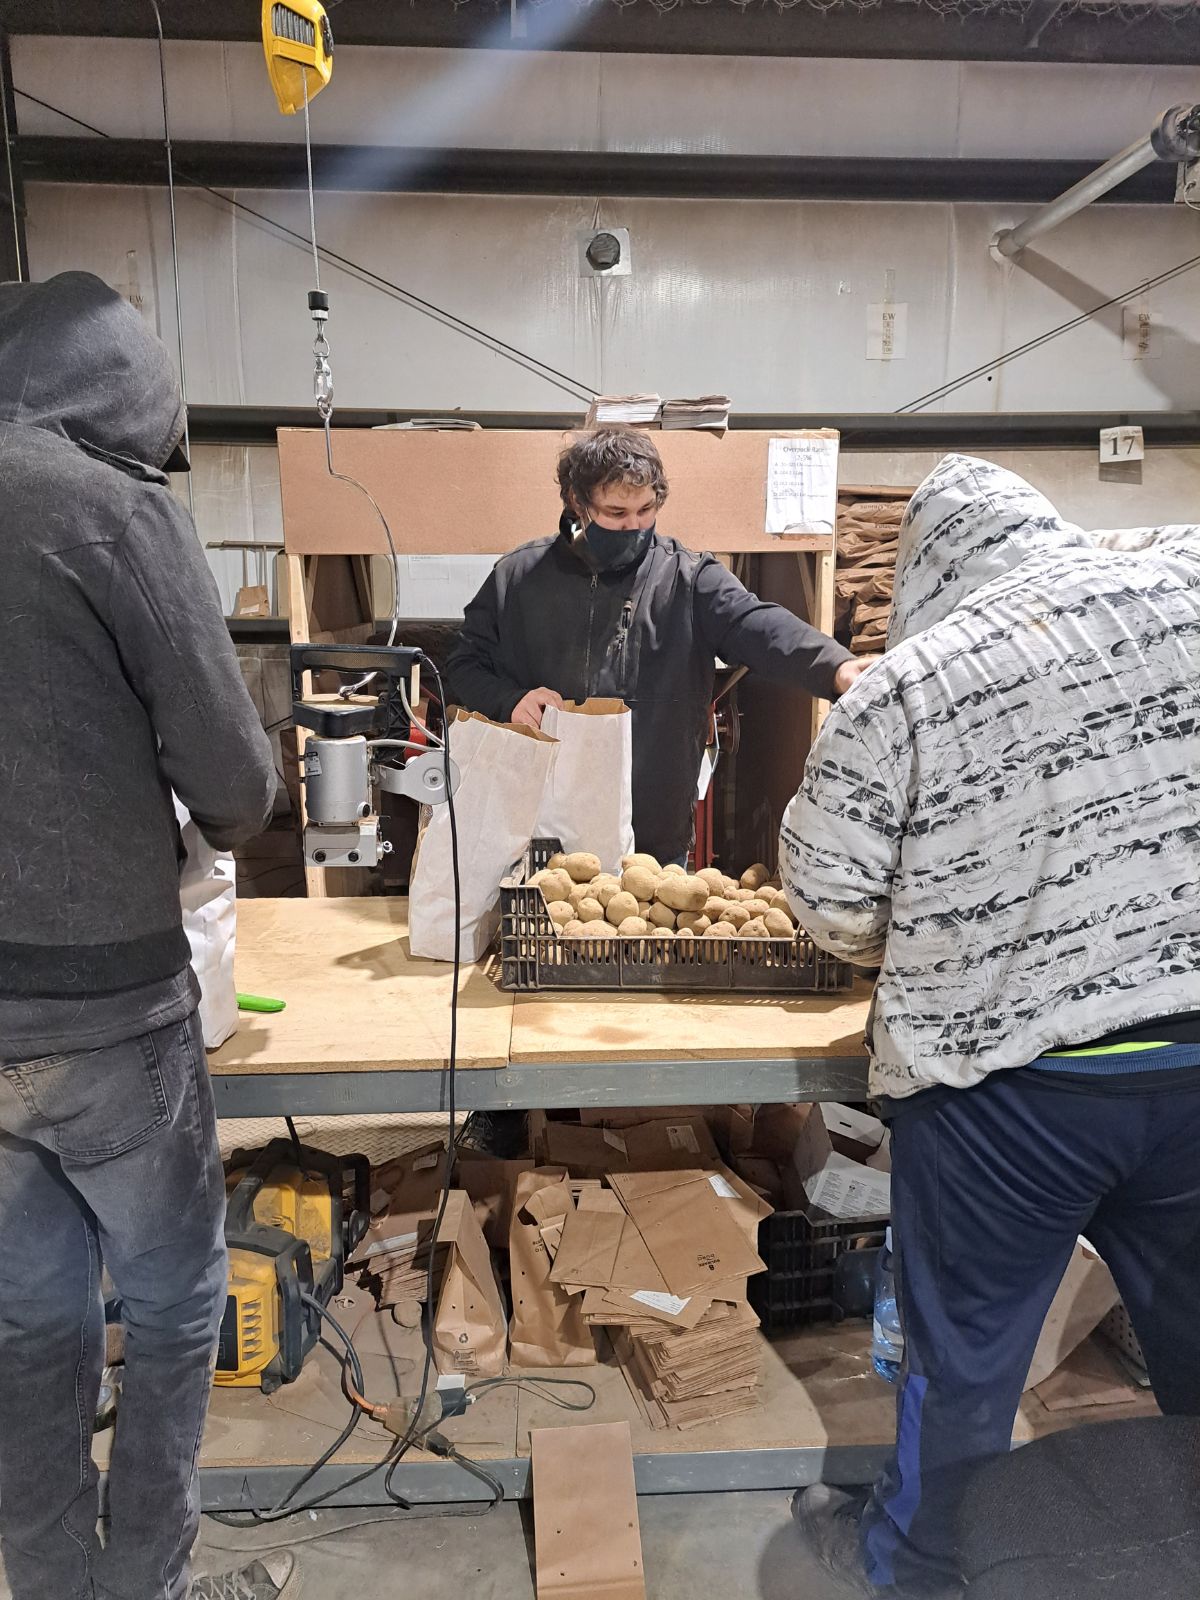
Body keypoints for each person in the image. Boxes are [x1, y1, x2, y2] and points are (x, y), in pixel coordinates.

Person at [780, 454, 1200, 1597]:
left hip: (1010, 1095)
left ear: (928, 577)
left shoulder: (915, 681)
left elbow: (827, 905)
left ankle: (921, 1574)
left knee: (963, 1370)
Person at [0, 273, 292, 1600]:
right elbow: (234, 787)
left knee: (30, 1322)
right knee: (174, 1312)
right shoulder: (113, 509)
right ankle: (146, 1590)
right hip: (104, 1008)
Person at [447, 426, 871, 865]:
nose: (633, 525)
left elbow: (758, 625)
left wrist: (834, 667)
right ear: (578, 502)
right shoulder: (518, 577)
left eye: (646, 509)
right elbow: (463, 665)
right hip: (535, 827)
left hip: (650, 831)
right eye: (615, 512)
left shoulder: (687, 579)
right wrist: (510, 701)